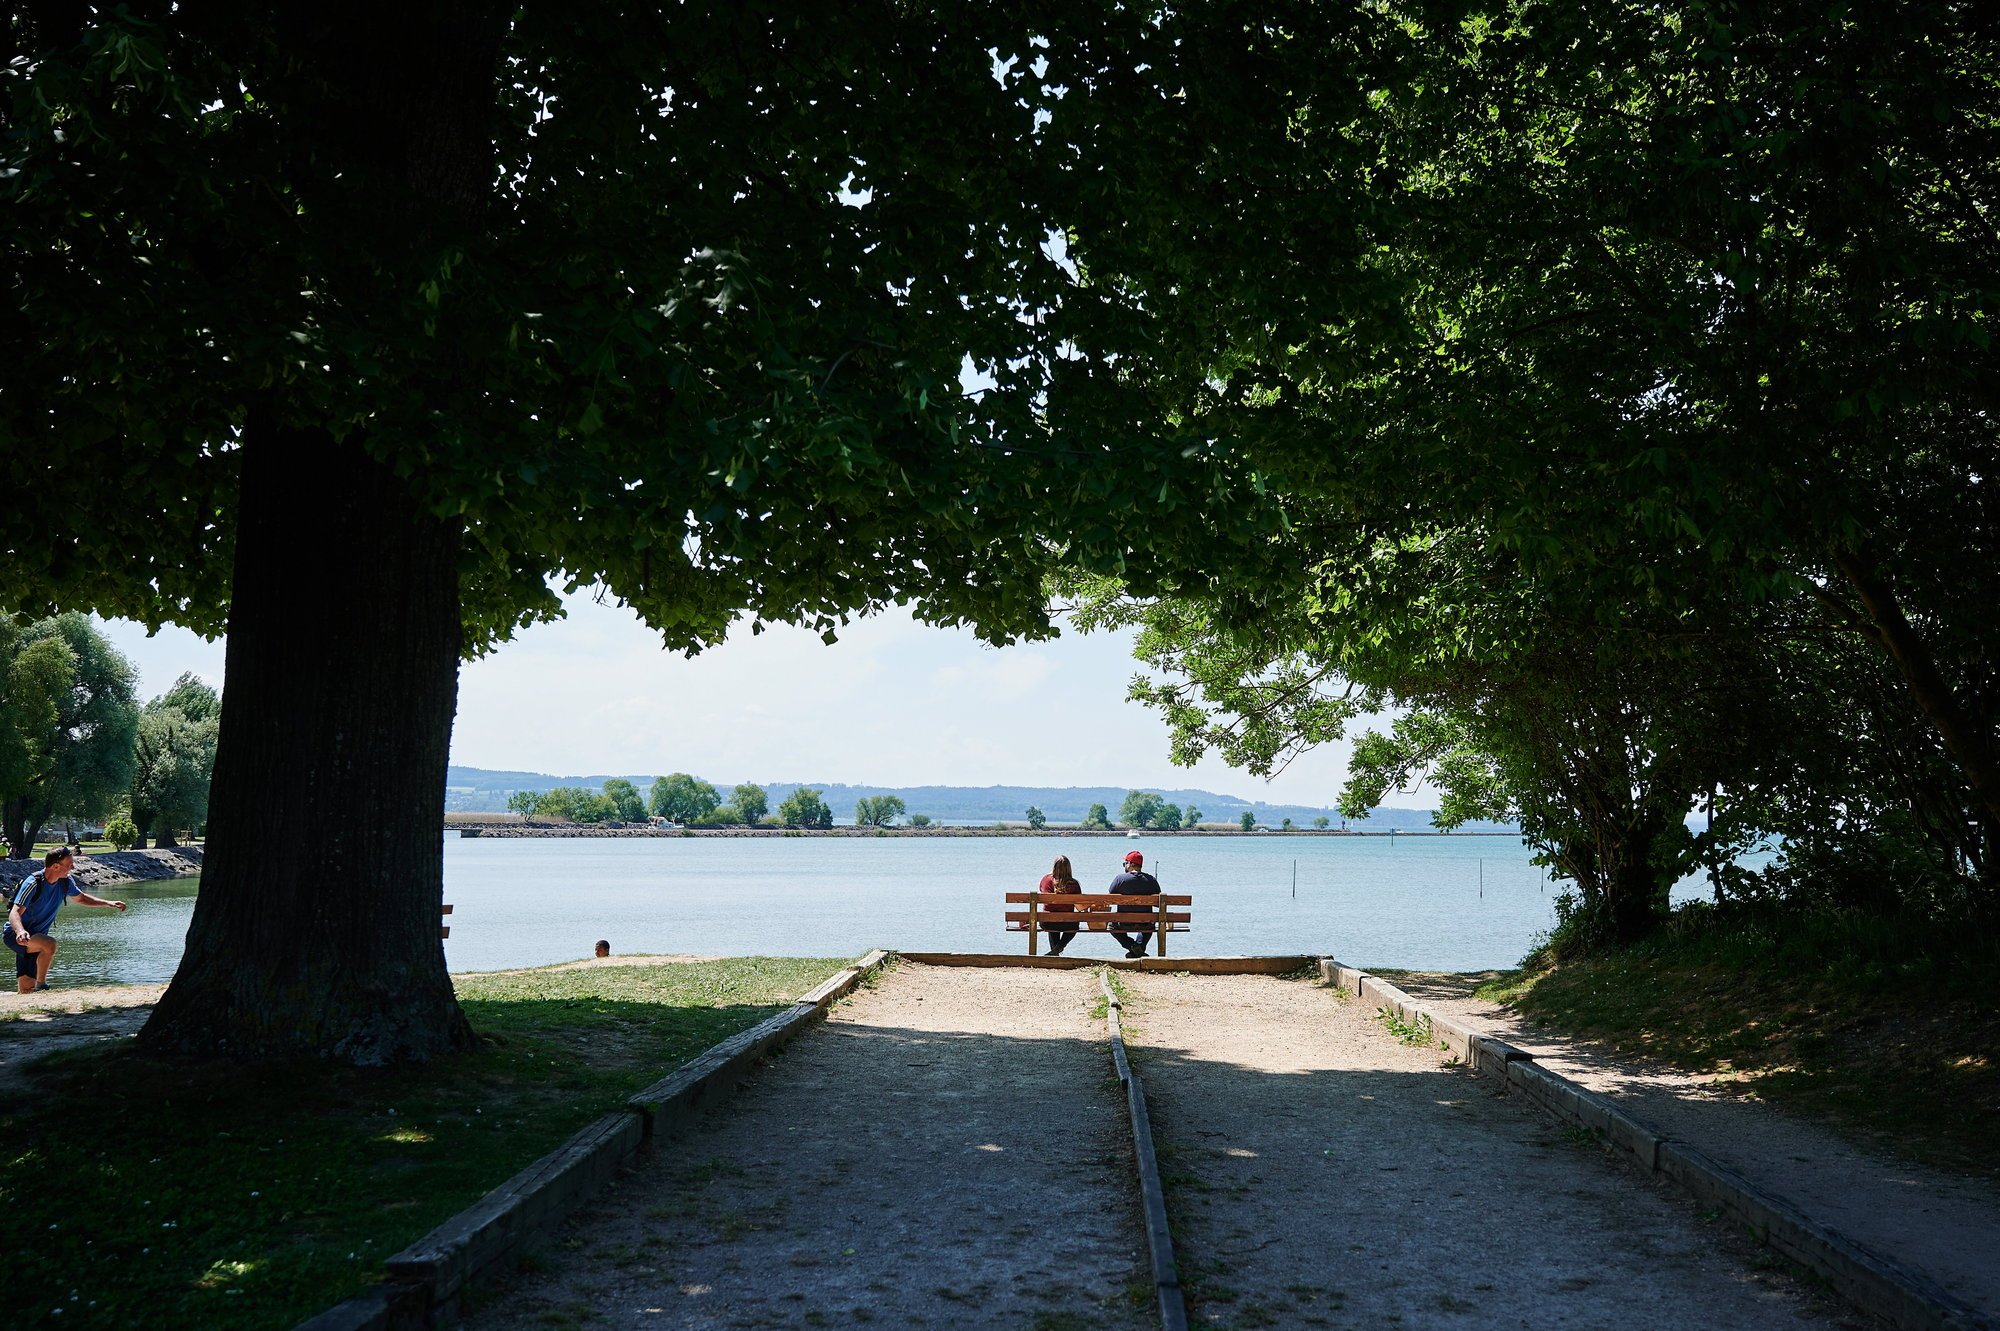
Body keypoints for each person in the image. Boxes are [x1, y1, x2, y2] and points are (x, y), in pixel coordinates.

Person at [5, 847, 126, 994]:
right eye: (69, 864)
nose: (73, 867)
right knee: (50, 944)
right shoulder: (33, 883)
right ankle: (42, 985)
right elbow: (14, 912)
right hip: (16, 935)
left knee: (25, 989)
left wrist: (108, 903)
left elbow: (81, 898)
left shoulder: (65, 882)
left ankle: (27, 1000)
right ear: (55, 866)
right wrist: (20, 931)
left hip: (35, 938)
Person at [1107, 849, 1161, 959]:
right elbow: (1159, 901)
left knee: (1111, 926)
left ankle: (1132, 946)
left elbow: (1109, 898)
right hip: (1146, 923)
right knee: (1150, 924)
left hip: (1123, 923)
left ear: (1131, 864)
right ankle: (1139, 949)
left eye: (1125, 863)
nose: (1124, 866)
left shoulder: (1120, 879)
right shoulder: (1151, 880)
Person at [1036, 855, 1083, 956]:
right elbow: (1079, 905)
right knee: (1074, 925)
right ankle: (1059, 947)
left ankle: (1055, 952)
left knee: (1052, 919)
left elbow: (1044, 897)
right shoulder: (1074, 883)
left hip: (1047, 922)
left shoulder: (1046, 880)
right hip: (1069, 923)